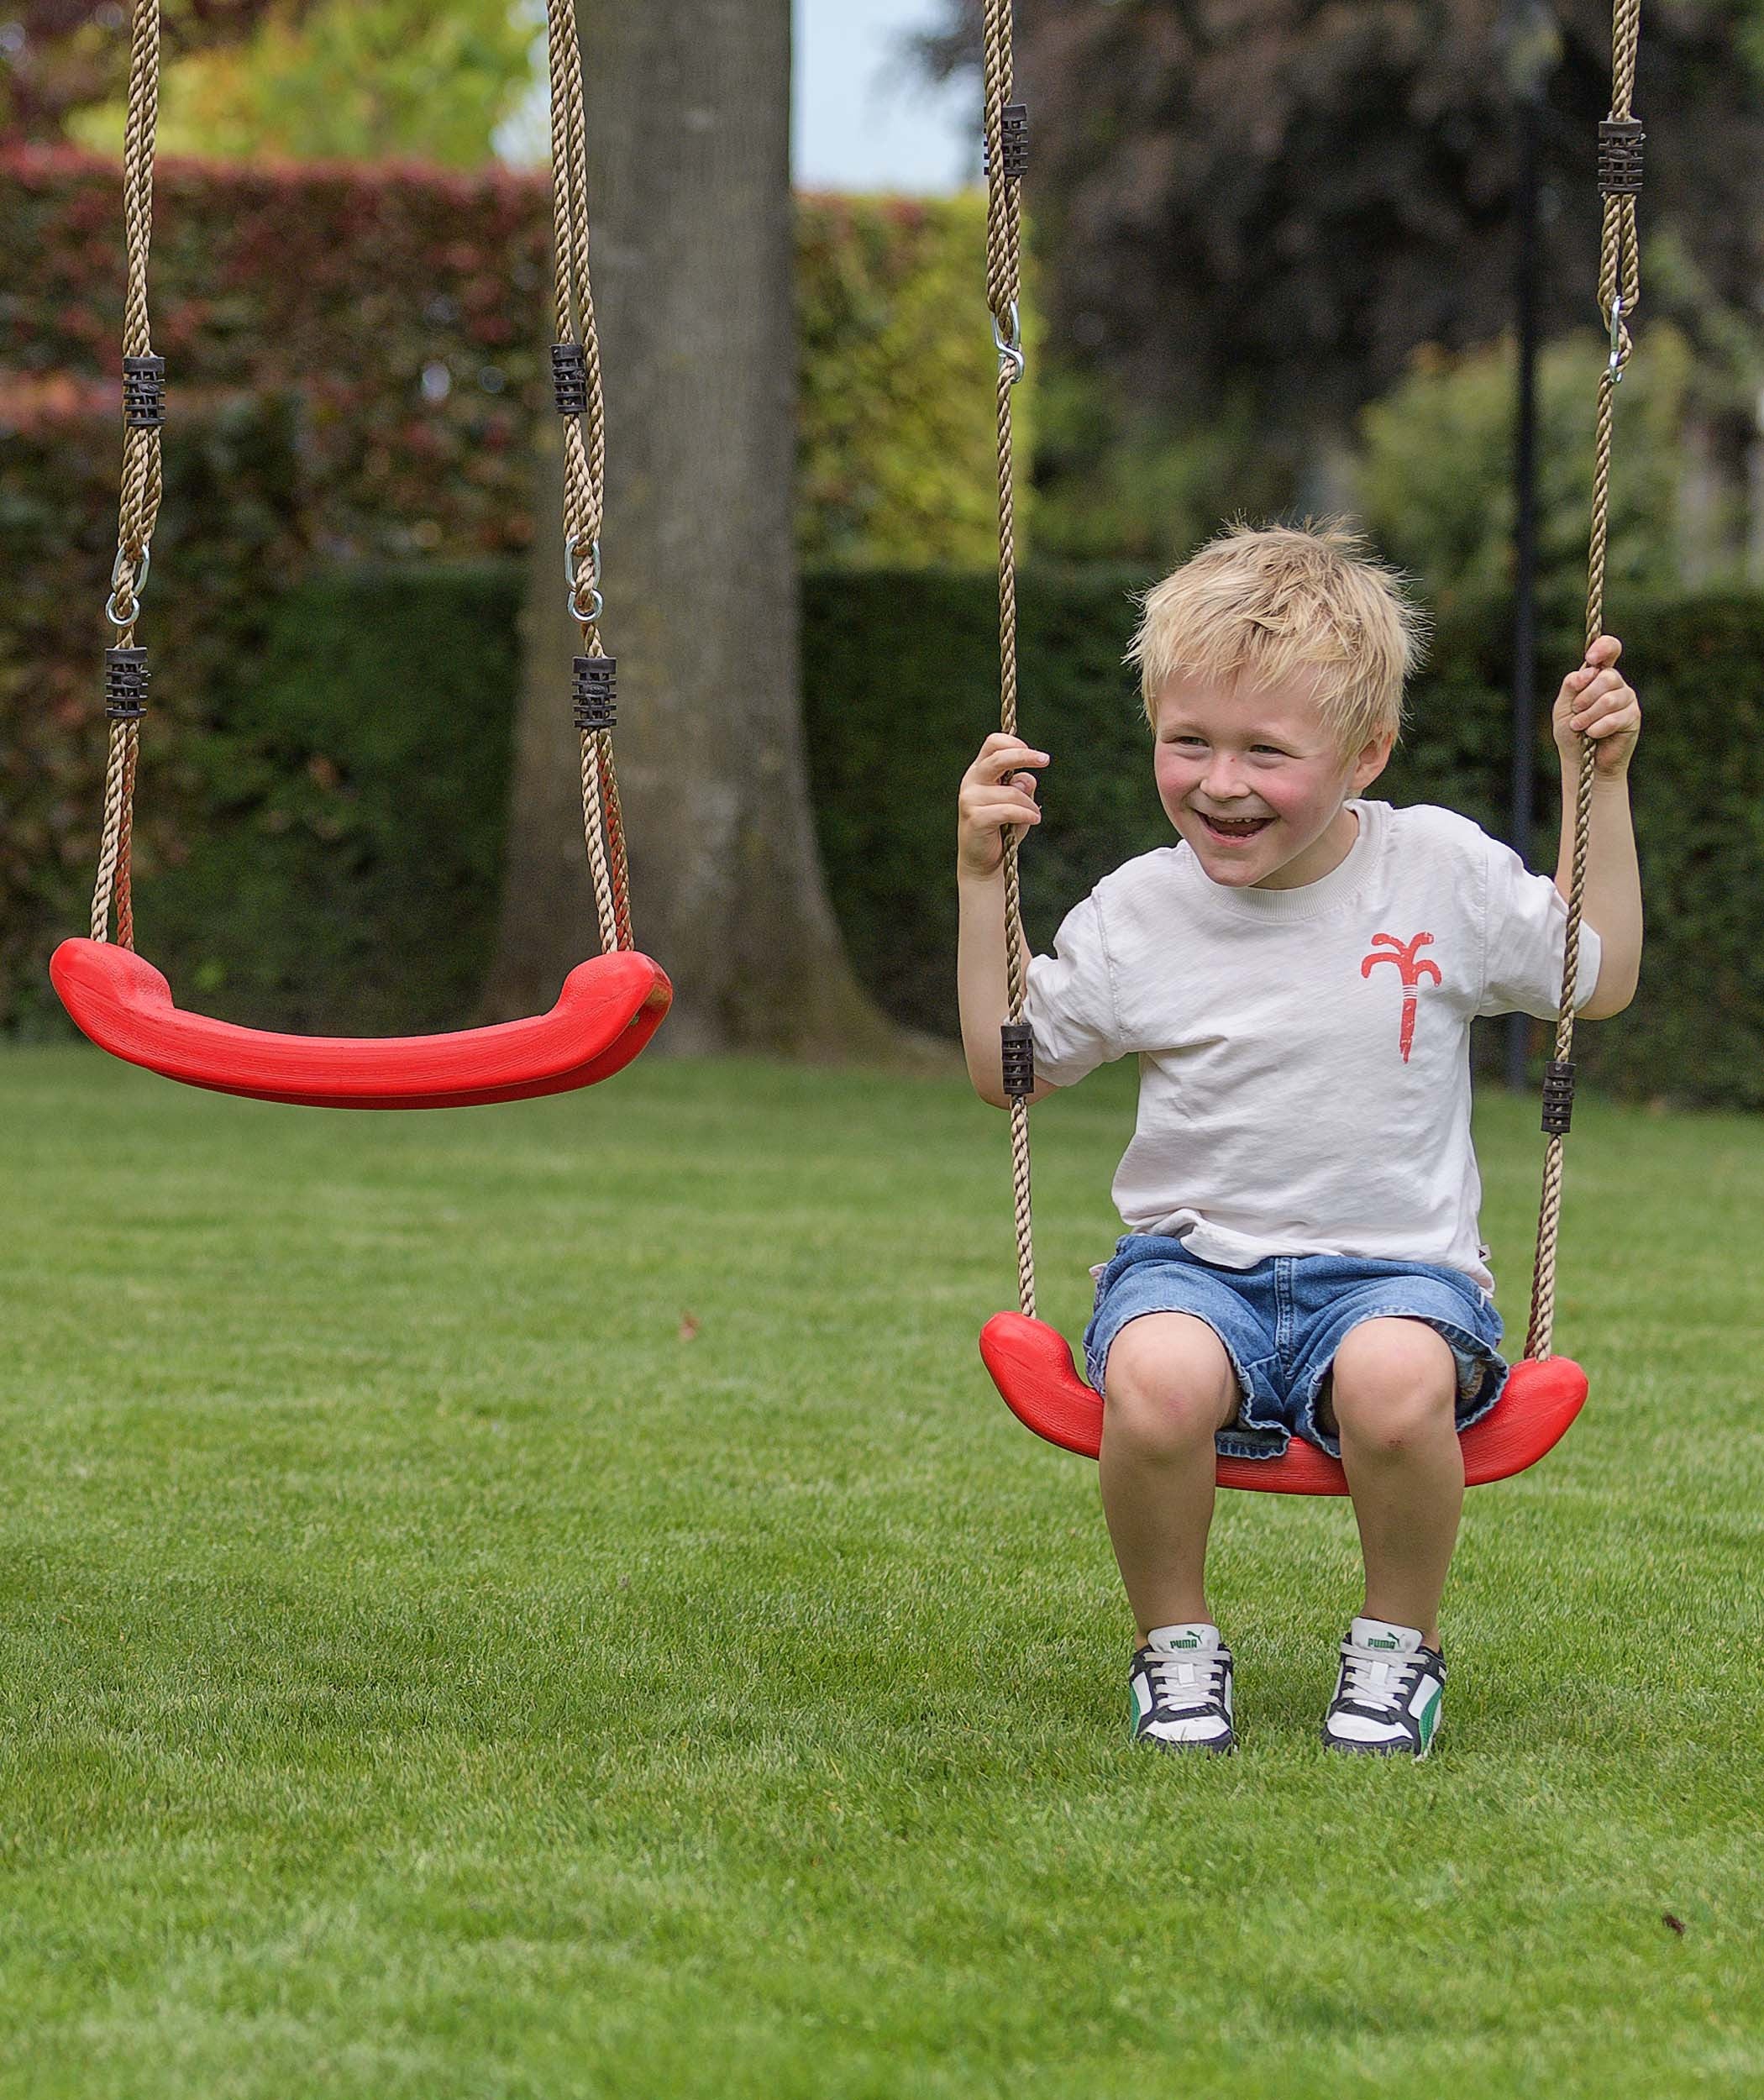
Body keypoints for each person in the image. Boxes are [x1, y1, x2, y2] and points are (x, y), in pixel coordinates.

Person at [955, 521, 1642, 1758]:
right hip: (1192, 1267)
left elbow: (1594, 980)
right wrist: (976, 880)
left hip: (1398, 1274)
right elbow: (1011, 1070)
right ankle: (1174, 1647)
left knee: (1393, 1389)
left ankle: (1396, 1649)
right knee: (1155, 1384)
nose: (1221, 784)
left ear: (1365, 752)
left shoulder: (1435, 873)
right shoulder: (1142, 911)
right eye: (1189, 743)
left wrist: (1602, 784)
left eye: (1267, 751)